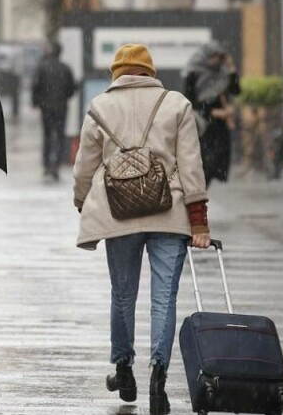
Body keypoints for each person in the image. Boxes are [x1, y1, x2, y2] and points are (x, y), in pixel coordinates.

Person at [73, 44, 211, 415]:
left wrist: (82, 199)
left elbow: (84, 166)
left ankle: (123, 368)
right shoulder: (177, 104)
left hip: (118, 214)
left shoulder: (100, 107)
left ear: (117, 73)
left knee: (123, 294)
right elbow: (191, 166)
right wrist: (197, 220)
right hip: (170, 211)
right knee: (163, 297)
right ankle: (158, 375)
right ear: (150, 72)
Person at [183, 42, 240, 186]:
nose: (215, 60)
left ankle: (201, 192)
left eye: (219, 57)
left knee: (219, 160)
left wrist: (232, 68)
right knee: (205, 161)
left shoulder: (223, 72)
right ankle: (198, 194)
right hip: (203, 123)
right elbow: (190, 100)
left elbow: (235, 90)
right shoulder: (193, 72)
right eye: (212, 56)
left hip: (221, 123)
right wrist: (212, 112)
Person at [31, 42, 77, 180]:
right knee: (60, 135)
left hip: (46, 108)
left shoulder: (42, 67)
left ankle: (46, 164)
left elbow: (35, 86)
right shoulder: (65, 68)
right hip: (61, 107)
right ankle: (56, 164)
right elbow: (71, 89)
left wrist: (37, 102)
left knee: (47, 135)